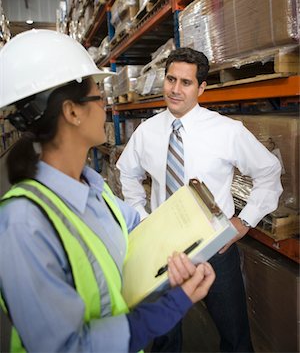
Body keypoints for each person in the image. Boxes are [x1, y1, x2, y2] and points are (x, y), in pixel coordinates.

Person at [0, 32, 216, 353]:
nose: (106, 106)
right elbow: (67, 347)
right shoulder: (23, 223)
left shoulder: (95, 192)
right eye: (99, 95)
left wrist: (186, 258)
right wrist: (172, 306)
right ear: (72, 112)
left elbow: (140, 242)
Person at [117, 47, 283, 352]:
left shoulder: (226, 131)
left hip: (215, 247)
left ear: (202, 87)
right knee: (164, 336)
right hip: (162, 248)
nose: (175, 90)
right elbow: (127, 173)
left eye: (186, 82)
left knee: (234, 335)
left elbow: (269, 172)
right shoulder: (147, 132)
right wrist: (142, 216)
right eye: (171, 80)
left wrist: (244, 222)